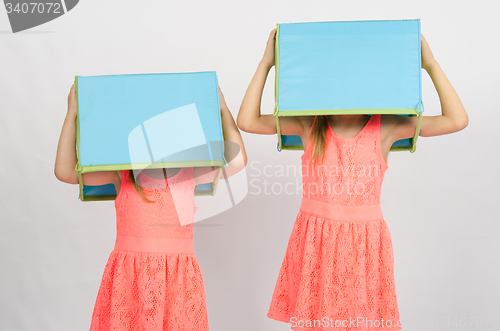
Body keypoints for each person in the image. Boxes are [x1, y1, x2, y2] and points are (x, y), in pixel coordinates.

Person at [237, 28, 468, 330]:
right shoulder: (310, 124)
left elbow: (456, 120)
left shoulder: (386, 127)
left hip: (363, 243)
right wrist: (267, 62)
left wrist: (430, 64)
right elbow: (247, 121)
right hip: (316, 239)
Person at [54, 84, 247, 331]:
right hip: (130, 277)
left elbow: (238, 159)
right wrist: (72, 114)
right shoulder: (121, 173)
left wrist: (221, 108)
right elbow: (66, 171)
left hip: (176, 279)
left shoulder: (188, 173)